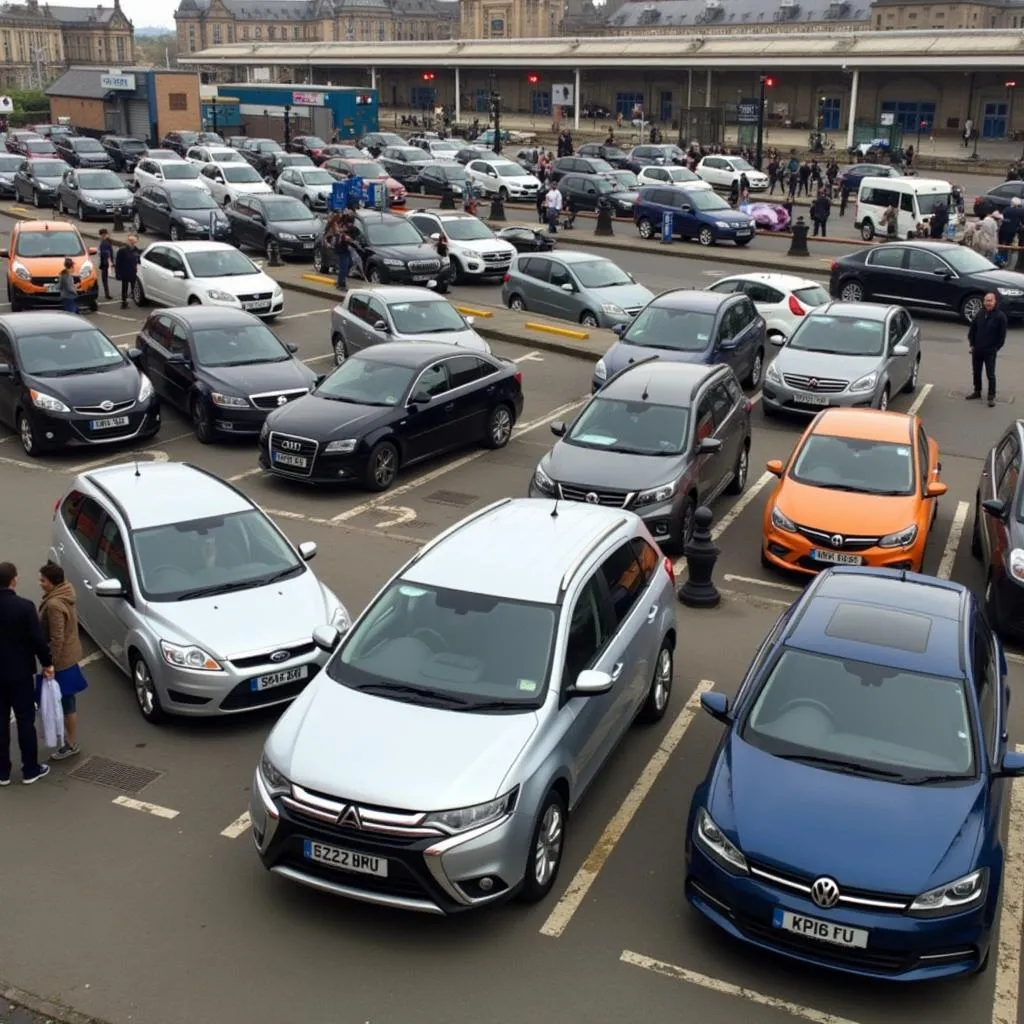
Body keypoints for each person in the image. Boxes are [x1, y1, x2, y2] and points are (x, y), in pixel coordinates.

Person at [0, 561, 55, 785]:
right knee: (25, 720)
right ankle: (30, 769)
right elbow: (37, 640)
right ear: (13, 580)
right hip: (20, 674)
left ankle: (2, 772)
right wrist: (47, 663)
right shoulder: (25, 607)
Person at [38, 562, 86, 761]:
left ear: (52, 582)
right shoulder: (65, 592)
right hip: (71, 656)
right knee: (68, 702)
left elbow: (57, 638)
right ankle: (70, 740)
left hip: (62, 661)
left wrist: (50, 663)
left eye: (43, 580)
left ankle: (71, 742)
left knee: (66, 704)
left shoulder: (54, 605)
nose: (40, 583)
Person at [967, 293, 1007, 407]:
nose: (987, 303)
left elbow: (1002, 337)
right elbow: (973, 330)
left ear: (995, 302)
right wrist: (972, 344)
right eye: (985, 301)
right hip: (977, 349)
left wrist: (995, 348)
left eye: (990, 301)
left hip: (990, 351)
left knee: (990, 374)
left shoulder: (1000, 317)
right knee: (976, 372)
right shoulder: (980, 313)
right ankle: (977, 391)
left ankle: (991, 396)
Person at [114, 234, 140, 309]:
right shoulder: (122, 250)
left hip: (133, 272)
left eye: (133, 241)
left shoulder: (136, 250)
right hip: (125, 272)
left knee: (134, 286)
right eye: (130, 241)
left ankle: (134, 298)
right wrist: (118, 273)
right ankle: (124, 302)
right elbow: (118, 263)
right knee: (124, 287)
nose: (132, 243)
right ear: (128, 241)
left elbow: (138, 260)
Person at [97, 228, 113, 301]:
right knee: (105, 279)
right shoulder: (106, 241)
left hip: (105, 263)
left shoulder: (104, 242)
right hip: (106, 262)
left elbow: (105, 252)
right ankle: (107, 294)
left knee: (104, 279)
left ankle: (107, 294)